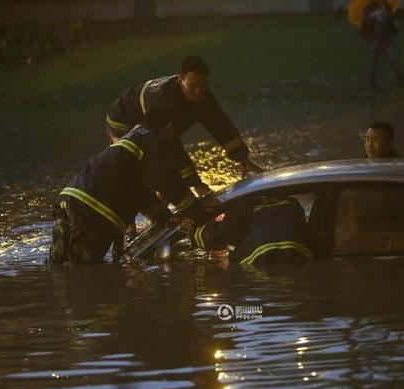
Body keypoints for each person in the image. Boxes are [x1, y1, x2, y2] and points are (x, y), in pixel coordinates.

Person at [49, 104, 205, 265]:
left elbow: (138, 191)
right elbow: (166, 180)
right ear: (170, 126)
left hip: (70, 199)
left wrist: (165, 216)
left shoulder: (135, 138)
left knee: (57, 265)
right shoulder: (154, 141)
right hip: (94, 214)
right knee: (82, 270)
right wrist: (193, 208)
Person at [105, 55, 262, 197]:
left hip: (152, 123)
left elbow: (221, 125)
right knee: (142, 165)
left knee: (161, 166)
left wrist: (243, 158)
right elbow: (170, 146)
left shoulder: (204, 96)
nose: (199, 91)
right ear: (180, 80)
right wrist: (197, 184)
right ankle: (141, 216)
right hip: (123, 120)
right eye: (193, 85)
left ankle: (162, 200)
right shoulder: (165, 101)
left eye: (203, 85)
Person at [185, 195, 313, 267]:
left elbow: (216, 239)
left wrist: (193, 231)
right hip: (299, 255)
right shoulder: (292, 203)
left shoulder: (243, 205)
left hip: (260, 260)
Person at [361, 0, 404, 89]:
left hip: (387, 39)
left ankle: (401, 80)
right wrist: (372, 16)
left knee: (395, 58)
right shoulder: (370, 7)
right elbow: (365, 22)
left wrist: (396, 26)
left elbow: (390, 21)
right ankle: (370, 83)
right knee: (372, 61)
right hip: (375, 39)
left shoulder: (387, 6)